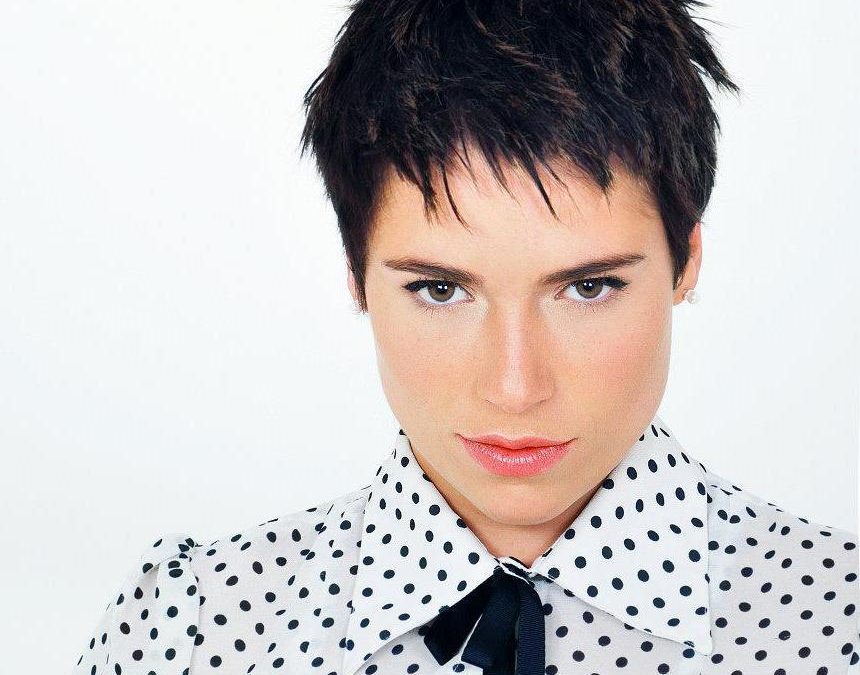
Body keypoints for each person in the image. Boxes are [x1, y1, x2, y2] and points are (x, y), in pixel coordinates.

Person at [71, 1, 859, 673]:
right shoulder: (193, 629)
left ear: (685, 262)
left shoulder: (839, 621)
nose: (515, 387)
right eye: (440, 289)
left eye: (588, 287)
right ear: (357, 276)